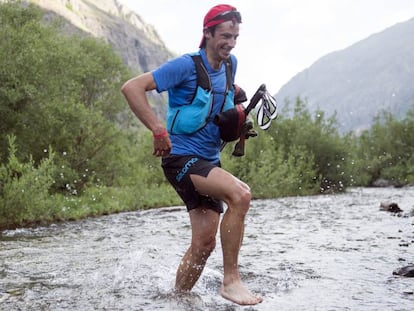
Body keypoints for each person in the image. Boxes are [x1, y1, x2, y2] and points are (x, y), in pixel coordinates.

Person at [121, 4, 262, 306]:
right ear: (207, 33)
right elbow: (132, 88)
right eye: (225, 35)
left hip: (208, 160)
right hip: (181, 159)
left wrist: (235, 124)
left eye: (235, 36)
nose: (231, 42)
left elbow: (218, 107)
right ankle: (231, 281)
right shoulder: (185, 66)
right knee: (241, 195)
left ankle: (176, 300)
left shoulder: (229, 64)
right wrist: (158, 128)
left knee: (203, 244)